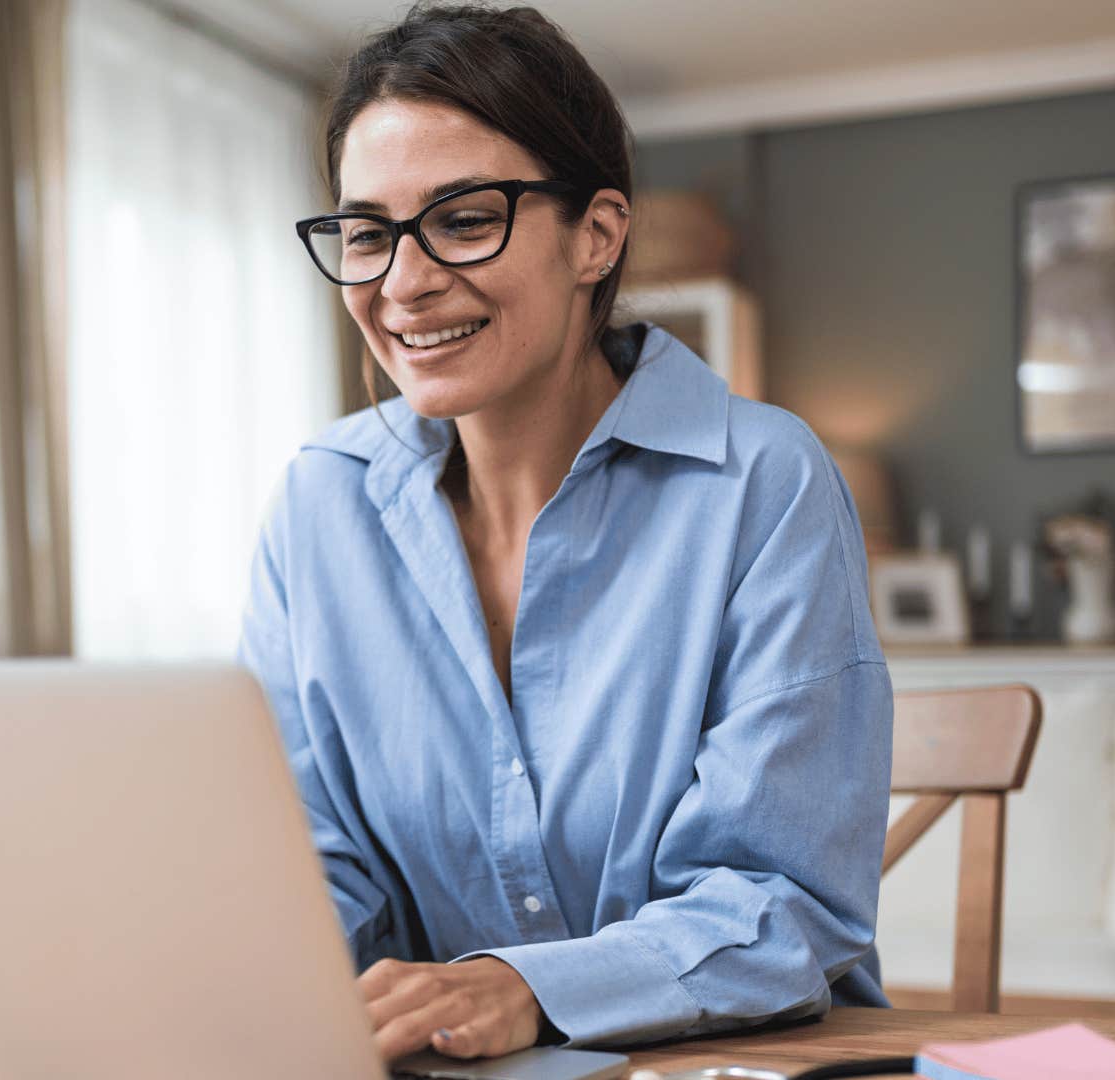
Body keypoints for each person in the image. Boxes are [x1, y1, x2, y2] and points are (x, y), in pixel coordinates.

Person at [237, 3, 893, 1065]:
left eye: (462, 219)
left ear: (596, 235)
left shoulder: (762, 483)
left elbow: (785, 902)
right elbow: (306, 864)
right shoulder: (320, 505)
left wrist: (526, 987)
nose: (402, 282)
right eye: (367, 233)